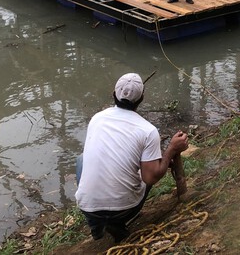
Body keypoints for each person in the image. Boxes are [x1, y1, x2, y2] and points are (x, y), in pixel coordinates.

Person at [75, 73, 189, 243]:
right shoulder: (147, 130)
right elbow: (151, 177)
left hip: (87, 207)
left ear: (113, 94)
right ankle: (116, 222)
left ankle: (96, 226)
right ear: (141, 99)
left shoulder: (96, 119)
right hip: (123, 209)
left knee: (82, 160)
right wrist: (171, 149)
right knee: (146, 171)